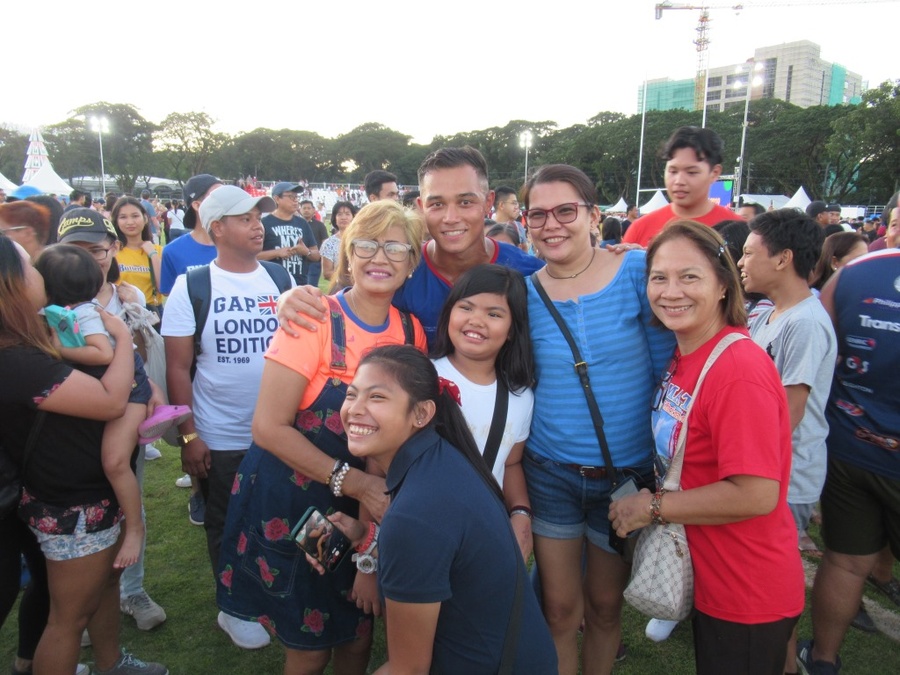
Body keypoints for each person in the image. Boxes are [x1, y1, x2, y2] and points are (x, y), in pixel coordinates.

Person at [216, 200, 426, 674]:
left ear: (412, 261)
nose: (380, 257)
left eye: (395, 247)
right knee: (309, 643)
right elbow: (268, 427)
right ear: (348, 252)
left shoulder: (412, 333)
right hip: (298, 502)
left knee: (357, 631)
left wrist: (370, 527)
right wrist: (359, 484)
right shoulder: (313, 317)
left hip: (366, 508)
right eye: (367, 244)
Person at [609, 220, 804, 674]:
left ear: (723, 285)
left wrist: (650, 508)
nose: (671, 291)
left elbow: (756, 493)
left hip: (745, 585)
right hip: (710, 572)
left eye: (689, 277)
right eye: (659, 277)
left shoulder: (737, 370)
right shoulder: (688, 350)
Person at [521, 164, 675, 674]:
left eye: (566, 210)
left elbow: (664, 371)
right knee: (560, 609)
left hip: (626, 477)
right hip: (551, 474)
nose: (552, 224)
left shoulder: (636, 271)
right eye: (538, 214)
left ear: (593, 216)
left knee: (606, 608)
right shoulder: (522, 293)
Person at [323, 344, 557, 673]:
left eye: (377, 397)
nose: (354, 409)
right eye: (352, 394)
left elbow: (408, 670)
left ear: (422, 414)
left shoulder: (415, 514)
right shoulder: (441, 459)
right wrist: (365, 538)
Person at [0, 236, 168, 675]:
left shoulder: (41, 334)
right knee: (68, 619)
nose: (37, 274)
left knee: (105, 583)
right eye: (29, 267)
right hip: (72, 504)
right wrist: (123, 342)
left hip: (90, 494)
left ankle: (112, 663)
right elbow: (111, 401)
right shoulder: (20, 358)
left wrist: (143, 382)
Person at [162, 186, 287, 650]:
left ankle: (270, 591)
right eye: (245, 218)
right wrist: (189, 435)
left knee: (276, 515)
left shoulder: (279, 278)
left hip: (280, 430)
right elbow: (178, 368)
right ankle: (232, 608)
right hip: (220, 434)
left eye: (259, 217)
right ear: (216, 227)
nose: (258, 226)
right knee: (227, 522)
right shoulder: (192, 286)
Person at [277, 147, 543, 348]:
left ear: (488, 202)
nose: (451, 217)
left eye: (465, 202)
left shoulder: (529, 273)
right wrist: (293, 299)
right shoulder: (400, 269)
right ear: (421, 207)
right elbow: (348, 307)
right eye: (437, 204)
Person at [797, 206, 900, 674]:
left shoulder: (856, 273)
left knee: (845, 562)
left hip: (849, 443)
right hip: (853, 448)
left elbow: (822, 348)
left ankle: (823, 659)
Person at [55, 207, 169, 630]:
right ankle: (79, 607)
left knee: (127, 494)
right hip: (70, 420)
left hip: (124, 413)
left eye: (96, 250)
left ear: (113, 248)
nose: (86, 259)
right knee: (74, 512)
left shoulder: (127, 297)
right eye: (75, 250)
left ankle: (131, 590)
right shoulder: (48, 296)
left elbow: (141, 351)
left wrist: (152, 388)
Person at [33, 245, 153, 571]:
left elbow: (102, 353)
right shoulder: (58, 310)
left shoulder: (86, 312)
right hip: (112, 384)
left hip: (130, 388)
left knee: (115, 462)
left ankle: (135, 529)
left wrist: (56, 349)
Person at [430, 264, 534, 559]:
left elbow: (510, 463)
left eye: (494, 314)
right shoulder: (419, 378)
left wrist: (521, 512)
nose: (476, 321)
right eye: (466, 307)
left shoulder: (520, 397)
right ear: (449, 313)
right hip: (421, 529)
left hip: (482, 534)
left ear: (512, 330)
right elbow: (380, 466)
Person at [622, 126, 735, 247]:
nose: (679, 181)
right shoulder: (640, 228)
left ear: (714, 173)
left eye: (691, 172)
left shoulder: (737, 229)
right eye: (673, 171)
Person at [259, 182, 320, 286]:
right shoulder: (264, 223)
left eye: (296, 197)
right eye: (291, 197)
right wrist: (277, 252)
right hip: (273, 284)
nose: (295, 200)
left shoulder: (302, 223)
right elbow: (253, 257)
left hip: (300, 284)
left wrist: (306, 251)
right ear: (277, 199)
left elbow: (316, 256)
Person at [111, 197, 164, 316]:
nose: (130, 222)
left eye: (135, 216)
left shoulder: (159, 251)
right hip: (120, 312)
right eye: (123, 217)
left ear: (145, 218)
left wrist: (153, 255)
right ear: (116, 221)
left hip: (151, 313)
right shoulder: (111, 251)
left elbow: (163, 288)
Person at [320, 201, 357, 284]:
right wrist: (347, 279)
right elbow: (327, 273)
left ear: (353, 217)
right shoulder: (329, 243)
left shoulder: (363, 240)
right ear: (335, 218)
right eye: (339, 214)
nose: (343, 217)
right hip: (340, 287)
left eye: (347, 214)